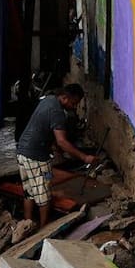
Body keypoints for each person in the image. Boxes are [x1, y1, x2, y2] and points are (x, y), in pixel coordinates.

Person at [15, 84, 96, 227]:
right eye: (73, 103)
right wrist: (84, 158)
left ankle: (26, 225)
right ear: (64, 97)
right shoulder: (58, 113)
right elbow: (62, 141)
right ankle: (44, 228)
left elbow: (45, 127)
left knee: (29, 191)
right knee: (44, 194)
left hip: (22, 151)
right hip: (36, 156)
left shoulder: (49, 99)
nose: (74, 107)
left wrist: (55, 149)